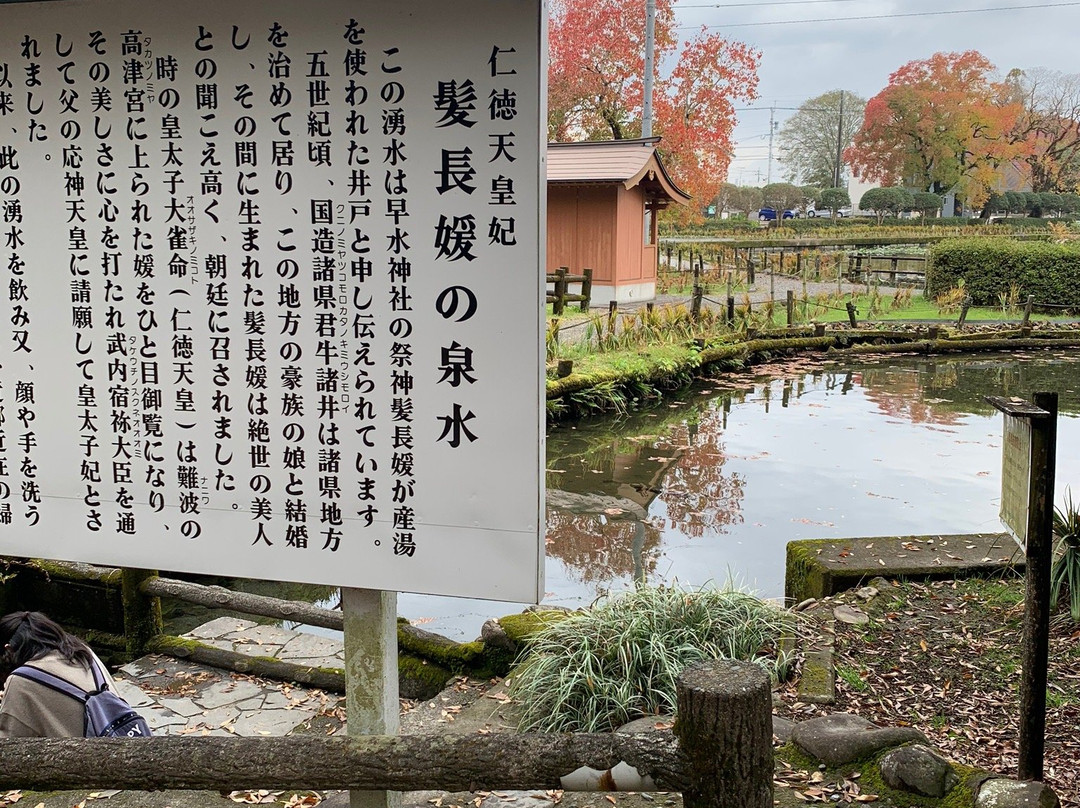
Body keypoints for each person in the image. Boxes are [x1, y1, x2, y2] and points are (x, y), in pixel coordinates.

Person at [0, 611, 120, 737]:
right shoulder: (84, 652)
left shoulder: (21, 680)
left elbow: (9, 744)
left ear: (8, 649)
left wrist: (9, 700)